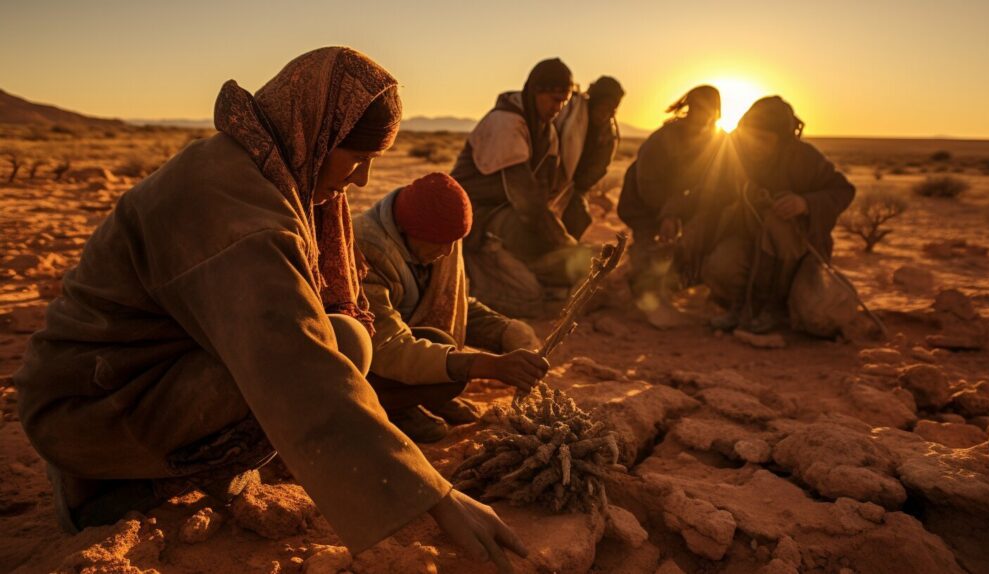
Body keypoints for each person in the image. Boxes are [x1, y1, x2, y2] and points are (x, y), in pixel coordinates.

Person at [13, 47, 527, 571]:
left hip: (124, 382)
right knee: (340, 347)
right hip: (89, 407)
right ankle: (105, 488)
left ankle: (152, 472)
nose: (362, 180)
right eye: (356, 158)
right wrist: (436, 496)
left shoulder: (251, 169)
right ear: (317, 135)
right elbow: (296, 365)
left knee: (345, 340)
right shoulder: (241, 213)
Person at [354, 172, 548, 443]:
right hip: (366, 365)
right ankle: (393, 407)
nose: (447, 252)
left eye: (452, 243)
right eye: (439, 243)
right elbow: (385, 347)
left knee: (447, 356)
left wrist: (505, 331)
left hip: (405, 343)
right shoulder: (365, 249)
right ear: (406, 230)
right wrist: (487, 365)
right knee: (447, 356)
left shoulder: (438, 238)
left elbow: (451, 302)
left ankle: (428, 395)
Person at [702, 95, 858, 336]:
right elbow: (711, 196)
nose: (754, 144)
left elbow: (843, 190)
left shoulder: (804, 157)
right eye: (750, 135)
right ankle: (742, 307)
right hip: (749, 246)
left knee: (816, 316)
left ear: (781, 139)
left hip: (797, 257)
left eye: (763, 139)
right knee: (721, 265)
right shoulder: (733, 154)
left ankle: (773, 308)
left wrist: (805, 203)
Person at [450, 58, 592, 318]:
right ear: (535, 92)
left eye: (564, 101)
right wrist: (565, 243)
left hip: (507, 210)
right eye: (553, 99)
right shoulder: (506, 122)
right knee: (524, 234)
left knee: (574, 214)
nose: (558, 107)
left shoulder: (546, 131)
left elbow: (547, 190)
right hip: (470, 215)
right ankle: (490, 282)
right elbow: (526, 200)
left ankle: (545, 278)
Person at [616, 86, 727, 327]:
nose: (703, 115)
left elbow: (710, 185)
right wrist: (668, 215)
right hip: (643, 206)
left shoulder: (717, 141)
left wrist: (678, 213)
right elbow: (647, 184)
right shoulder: (663, 139)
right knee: (649, 250)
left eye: (709, 109)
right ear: (689, 107)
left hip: (683, 209)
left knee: (691, 247)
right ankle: (638, 292)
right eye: (698, 108)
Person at [556, 76, 625, 240]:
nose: (605, 113)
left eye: (611, 109)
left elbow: (601, 166)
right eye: (603, 106)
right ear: (594, 101)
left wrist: (578, 186)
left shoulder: (607, 133)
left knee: (579, 220)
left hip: (576, 187)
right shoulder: (568, 115)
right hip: (550, 181)